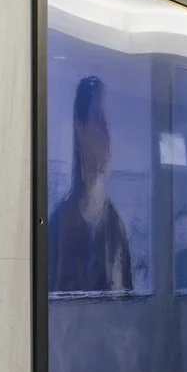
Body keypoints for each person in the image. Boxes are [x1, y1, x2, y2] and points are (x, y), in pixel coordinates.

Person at [51, 74, 135, 292]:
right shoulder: (59, 224)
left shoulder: (117, 228)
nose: (107, 135)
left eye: (109, 125)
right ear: (80, 129)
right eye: (99, 121)